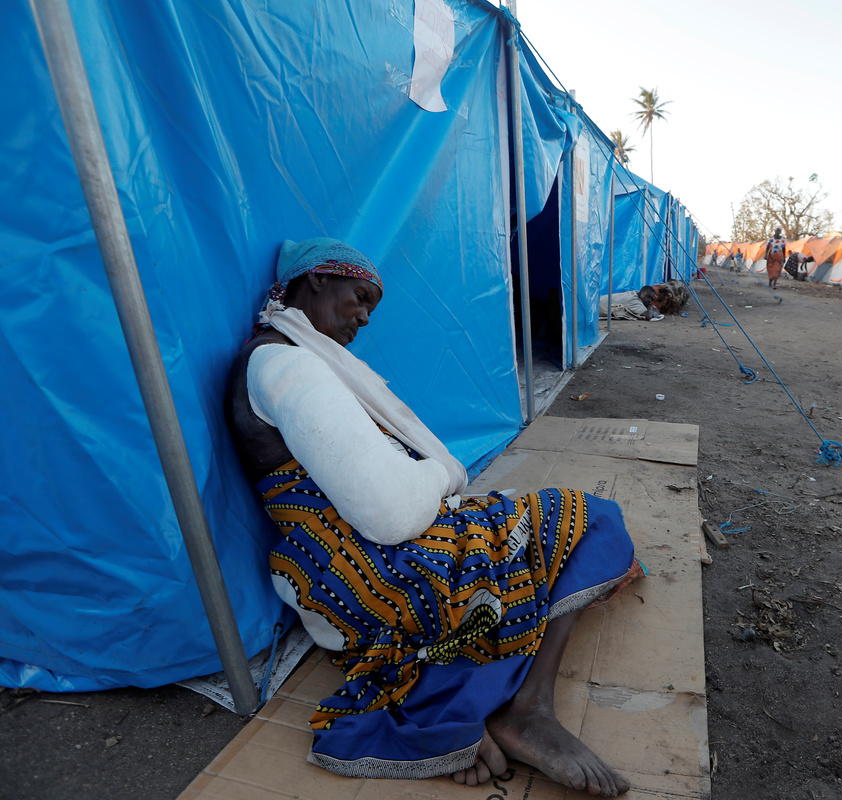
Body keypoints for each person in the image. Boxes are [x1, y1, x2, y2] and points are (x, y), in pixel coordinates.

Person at [226, 238, 636, 796]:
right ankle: (528, 706)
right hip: (382, 567)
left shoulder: (284, 359)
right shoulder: (283, 364)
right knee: (587, 516)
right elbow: (391, 511)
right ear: (317, 279)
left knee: (513, 534)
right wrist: (443, 472)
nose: (364, 318)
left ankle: (459, 701)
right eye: (360, 298)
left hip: (330, 576)